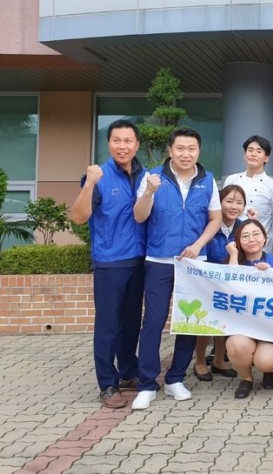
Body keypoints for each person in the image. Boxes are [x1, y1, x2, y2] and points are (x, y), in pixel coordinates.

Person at [131, 127, 222, 410]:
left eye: (191, 149)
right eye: (180, 148)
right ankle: (147, 384)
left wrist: (198, 245)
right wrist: (149, 192)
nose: (186, 154)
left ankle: (175, 378)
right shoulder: (152, 177)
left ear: (198, 151)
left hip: (193, 264)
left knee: (189, 322)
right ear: (170, 150)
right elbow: (139, 216)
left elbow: (215, 219)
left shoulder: (207, 180)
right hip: (159, 261)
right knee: (153, 321)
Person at [70, 119, 146, 409]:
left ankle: (128, 372)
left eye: (128, 141)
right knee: (108, 325)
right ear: (109, 144)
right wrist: (89, 182)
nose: (122, 146)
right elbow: (78, 217)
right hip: (110, 261)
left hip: (139, 259)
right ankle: (108, 384)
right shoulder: (99, 176)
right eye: (116, 141)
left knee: (131, 322)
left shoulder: (146, 176)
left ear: (137, 145)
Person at [225, 220, 273, 399]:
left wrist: (271, 275)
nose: (251, 239)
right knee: (237, 346)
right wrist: (233, 254)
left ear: (264, 238)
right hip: (244, 327)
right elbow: (230, 286)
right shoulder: (233, 262)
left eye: (256, 234)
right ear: (238, 241)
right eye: (245, 236)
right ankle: (246, 378)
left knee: (267, 361)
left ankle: (269, 372)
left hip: (270, 329)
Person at [193, 184, 247, 382]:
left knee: (225, 321)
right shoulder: (209, 225)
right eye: (229, 201)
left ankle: (218, 360)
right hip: (206, 281)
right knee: (205, 323)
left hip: (230, 283)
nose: (234, 206)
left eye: (239, 202)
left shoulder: (243, 227)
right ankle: (200, 361)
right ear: (219, 202)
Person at [223, 135, 273, 252]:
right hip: (231, 243)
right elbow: (222, 211)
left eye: (259, 151)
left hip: (260, 246)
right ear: (245, 155)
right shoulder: (231, 180)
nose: (253, 154)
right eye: (250, 150)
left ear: (266, 158)